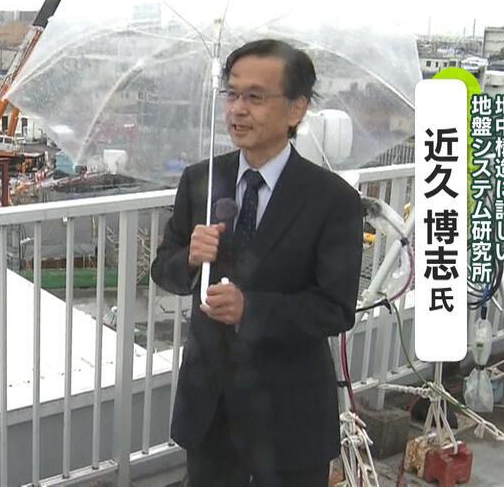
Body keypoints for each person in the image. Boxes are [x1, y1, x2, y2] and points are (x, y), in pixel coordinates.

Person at [150, 39, 363, 486]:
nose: (238, 110)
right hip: (210, 410)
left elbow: (335, 308)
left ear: (296, 109)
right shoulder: (201, 180)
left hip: (289, 414)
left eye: (255, 97)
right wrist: (189, 259)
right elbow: (164, 270)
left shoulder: (332, 199)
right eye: (232, 94)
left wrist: (251, 309)